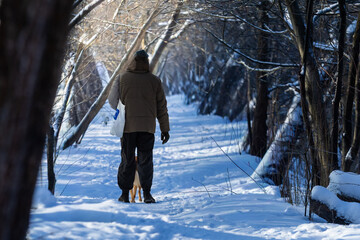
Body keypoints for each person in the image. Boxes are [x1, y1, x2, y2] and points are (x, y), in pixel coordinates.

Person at [108, 49, 170, 203]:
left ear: (132, 61)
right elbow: (162, 107)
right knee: (145, 160)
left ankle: (124, 194)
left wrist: (122, 107)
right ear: (146, 62)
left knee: (127, 160)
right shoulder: (154, 81)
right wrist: (165, 129)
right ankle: (147, 194)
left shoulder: (121, 78)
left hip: (127, 127)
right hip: (147, 127)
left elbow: (111, 101)